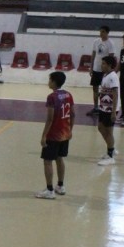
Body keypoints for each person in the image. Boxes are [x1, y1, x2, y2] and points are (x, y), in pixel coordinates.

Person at [36, 70, 74, 199]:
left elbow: (50, 119)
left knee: (47, 161)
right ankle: (61, 186)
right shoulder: (68, 95)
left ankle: (49, 190)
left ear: (53, 82)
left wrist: (44, 136)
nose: (48, 82)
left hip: (54, 135)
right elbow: (73, 114)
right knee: (59, 158)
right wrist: (70, 130)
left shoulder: (52, 97)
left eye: (49, 80)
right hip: (65, 133)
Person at [96, 55, 119, 166]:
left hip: (110, 109)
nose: (102, 65)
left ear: (109, 65)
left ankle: (110, 155)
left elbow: (115, 94)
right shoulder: (105, 75)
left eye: (104, 63)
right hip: (103, 107)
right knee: (100, 127)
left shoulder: (113, 77)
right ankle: (111, 149)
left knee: (109, 132)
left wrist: (114, 111)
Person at [88, 26, 114, 116]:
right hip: (96, 69)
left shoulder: (110, 43)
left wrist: (109, 70)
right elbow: (93, 54)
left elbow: (111, 57)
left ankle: (104, 107)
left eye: (103, 32)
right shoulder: (96, 41)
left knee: (105, 89)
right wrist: (91, 67)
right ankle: (95, 107)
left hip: (105, 71)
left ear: (107, 33)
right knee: (95, 88)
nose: (101, 33)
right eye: (100, 31)